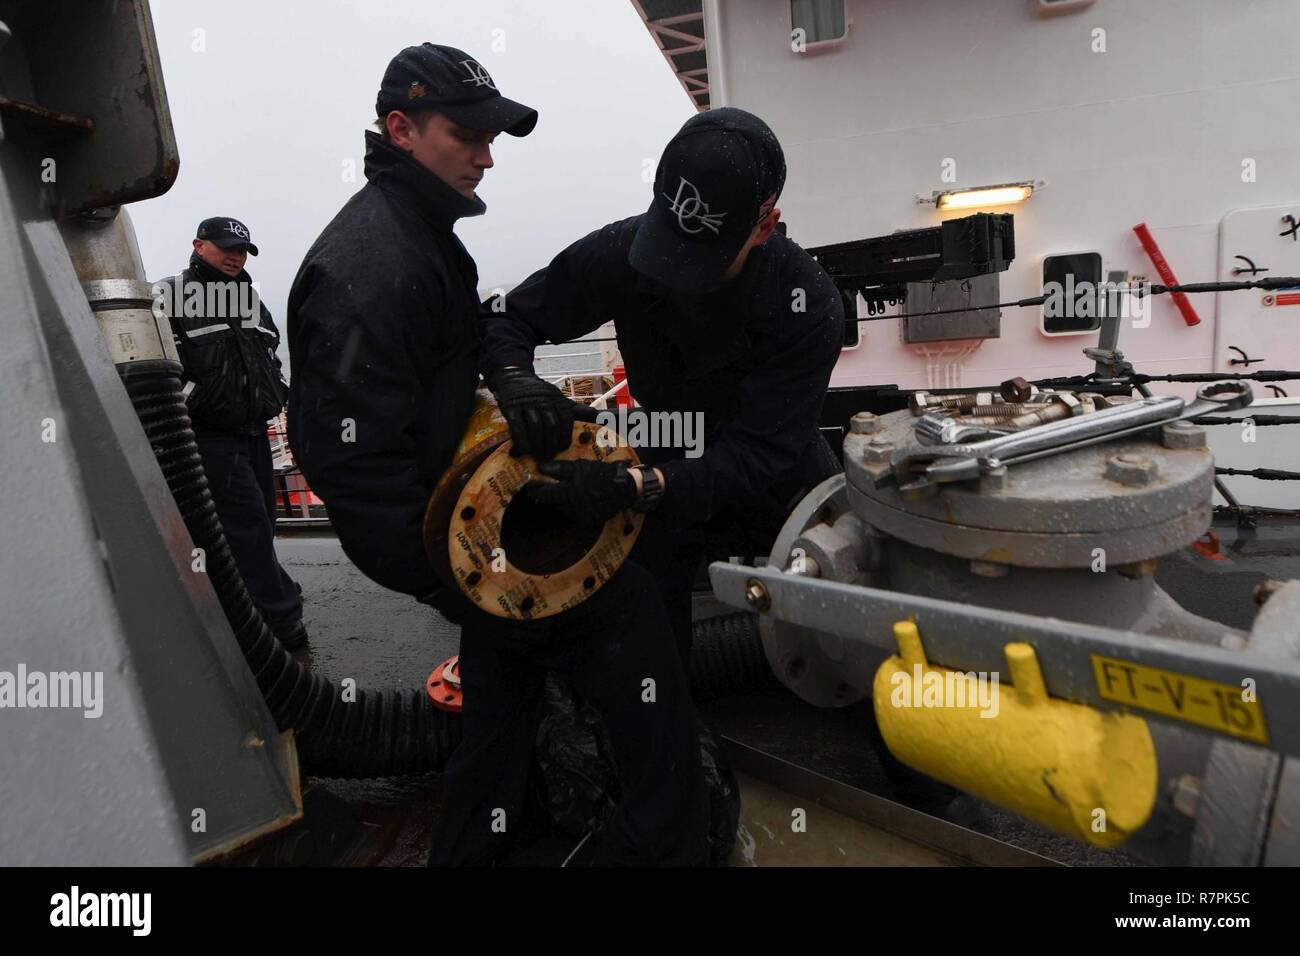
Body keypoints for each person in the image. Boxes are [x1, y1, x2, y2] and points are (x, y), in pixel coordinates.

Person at [285, 43, 708, 865]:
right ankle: (665, 842)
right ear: (400, 129)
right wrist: (482, 567)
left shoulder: (422, 231)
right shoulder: (368, 267)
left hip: (465, 526)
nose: (485, 155)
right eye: (467, 134)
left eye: (492, 137)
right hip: (444, 543)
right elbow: (352, 465)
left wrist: (514, 381)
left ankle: (477, 848)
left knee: (502, 704)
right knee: (630, 614)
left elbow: (457, 346)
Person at [482, 108, 846, 669]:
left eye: (696, 264)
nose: (674, 275)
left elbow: (761, 452)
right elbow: (506, 318)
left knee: (837, 573)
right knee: (645, 610)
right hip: (664, 432)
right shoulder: (620, 252)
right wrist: (515, 380)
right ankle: (668, 714)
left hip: (770, 461)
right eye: (667, 250)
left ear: (764, 226)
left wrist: (641, 485)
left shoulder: (807, 301)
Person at [159, 217, 307, 649]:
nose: (235, 257)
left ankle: (258, 592)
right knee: (245, 523)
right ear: (198, 245)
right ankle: (280, 619)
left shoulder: (248, 297)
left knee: (261, 517)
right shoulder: (169, 295)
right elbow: (158, 361)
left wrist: (276, 391)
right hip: (209, 435)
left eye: (242, 250)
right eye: (225, 248)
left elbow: (270, 350)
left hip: (254, 429)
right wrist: (197, 401)